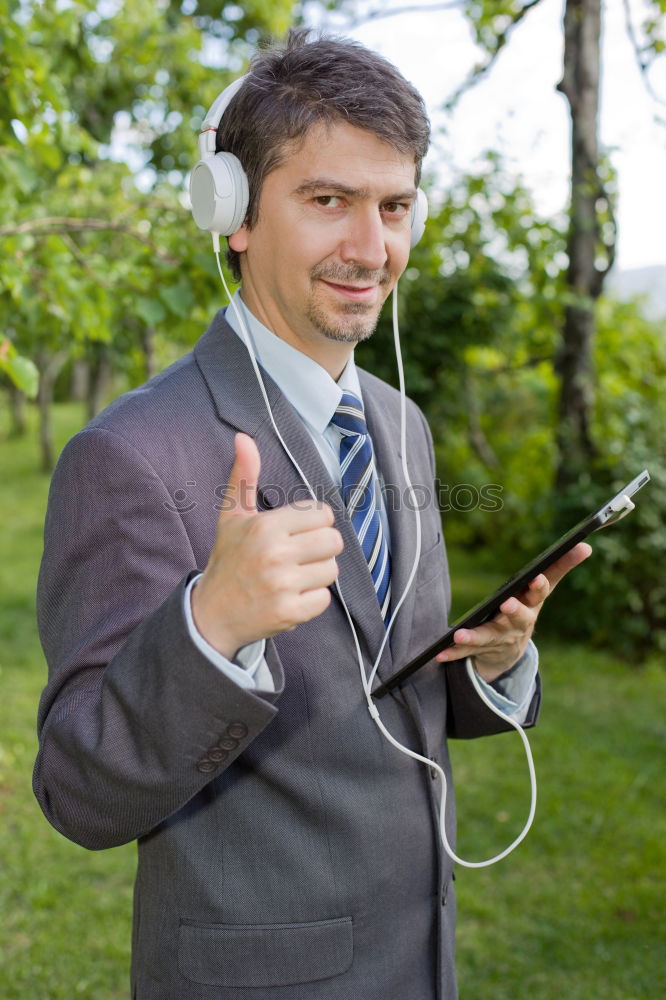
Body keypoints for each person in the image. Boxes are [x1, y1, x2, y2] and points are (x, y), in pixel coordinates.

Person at [33, 29, 590, 1000]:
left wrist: (495, 664)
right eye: (328, 200)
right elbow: (79, 791)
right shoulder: (129, 454)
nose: (372, 249)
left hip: (416, 967)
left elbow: (381, 697)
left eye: (395, 206)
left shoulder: (399, 422)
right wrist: (212, 629)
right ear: (236, 214)